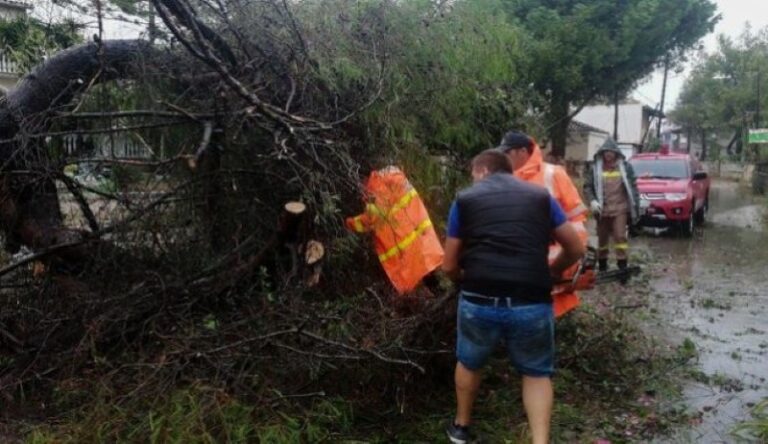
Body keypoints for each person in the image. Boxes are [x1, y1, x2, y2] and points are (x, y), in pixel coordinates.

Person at [442, 150, 586, 444]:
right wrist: (551, 270)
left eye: (473, 174)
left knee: (470, 362)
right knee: (535, 372)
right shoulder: (540, 197)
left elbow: (448, 265)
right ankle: (540, 441)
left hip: (479, 297)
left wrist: (461, 279)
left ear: (482, 170)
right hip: (530, 298)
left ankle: (461, 428)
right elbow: (575, 247)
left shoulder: (465, 200)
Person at [497, 131, 588, 317]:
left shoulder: (553, 174)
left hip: (554, 268)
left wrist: (564, 269)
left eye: (507, 153)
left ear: (522, 151)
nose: (503, 158)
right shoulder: (504, 179)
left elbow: (576, 225)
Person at [583, 138, 639, 272]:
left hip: (620, 209)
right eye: (606, 151)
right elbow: (587, 187)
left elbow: (633, 187)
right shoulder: (595, 168)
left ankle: (622, 265)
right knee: (602, 239)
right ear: (602, 153)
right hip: (602, 210)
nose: (608, 154)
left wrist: (636, 206)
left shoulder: (625, 168)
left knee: (620, 236)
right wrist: (592, 201)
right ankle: (602, 265)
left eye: (611, 151)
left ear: (616, 153)